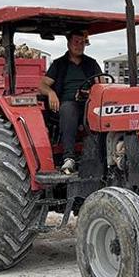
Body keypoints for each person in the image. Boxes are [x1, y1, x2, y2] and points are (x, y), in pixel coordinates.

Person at [39, 29, 102, 174]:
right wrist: (51, 92)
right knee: (68, 109)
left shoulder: (91, 64)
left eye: (82, 43)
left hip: (89, 103)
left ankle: (103, 155)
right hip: (67, 103)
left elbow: (101, 83)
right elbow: (42, 85)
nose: (79, 45)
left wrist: (91, 92)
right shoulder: (59, 64)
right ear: (68, 43)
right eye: (76, 42)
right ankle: (69, 158)